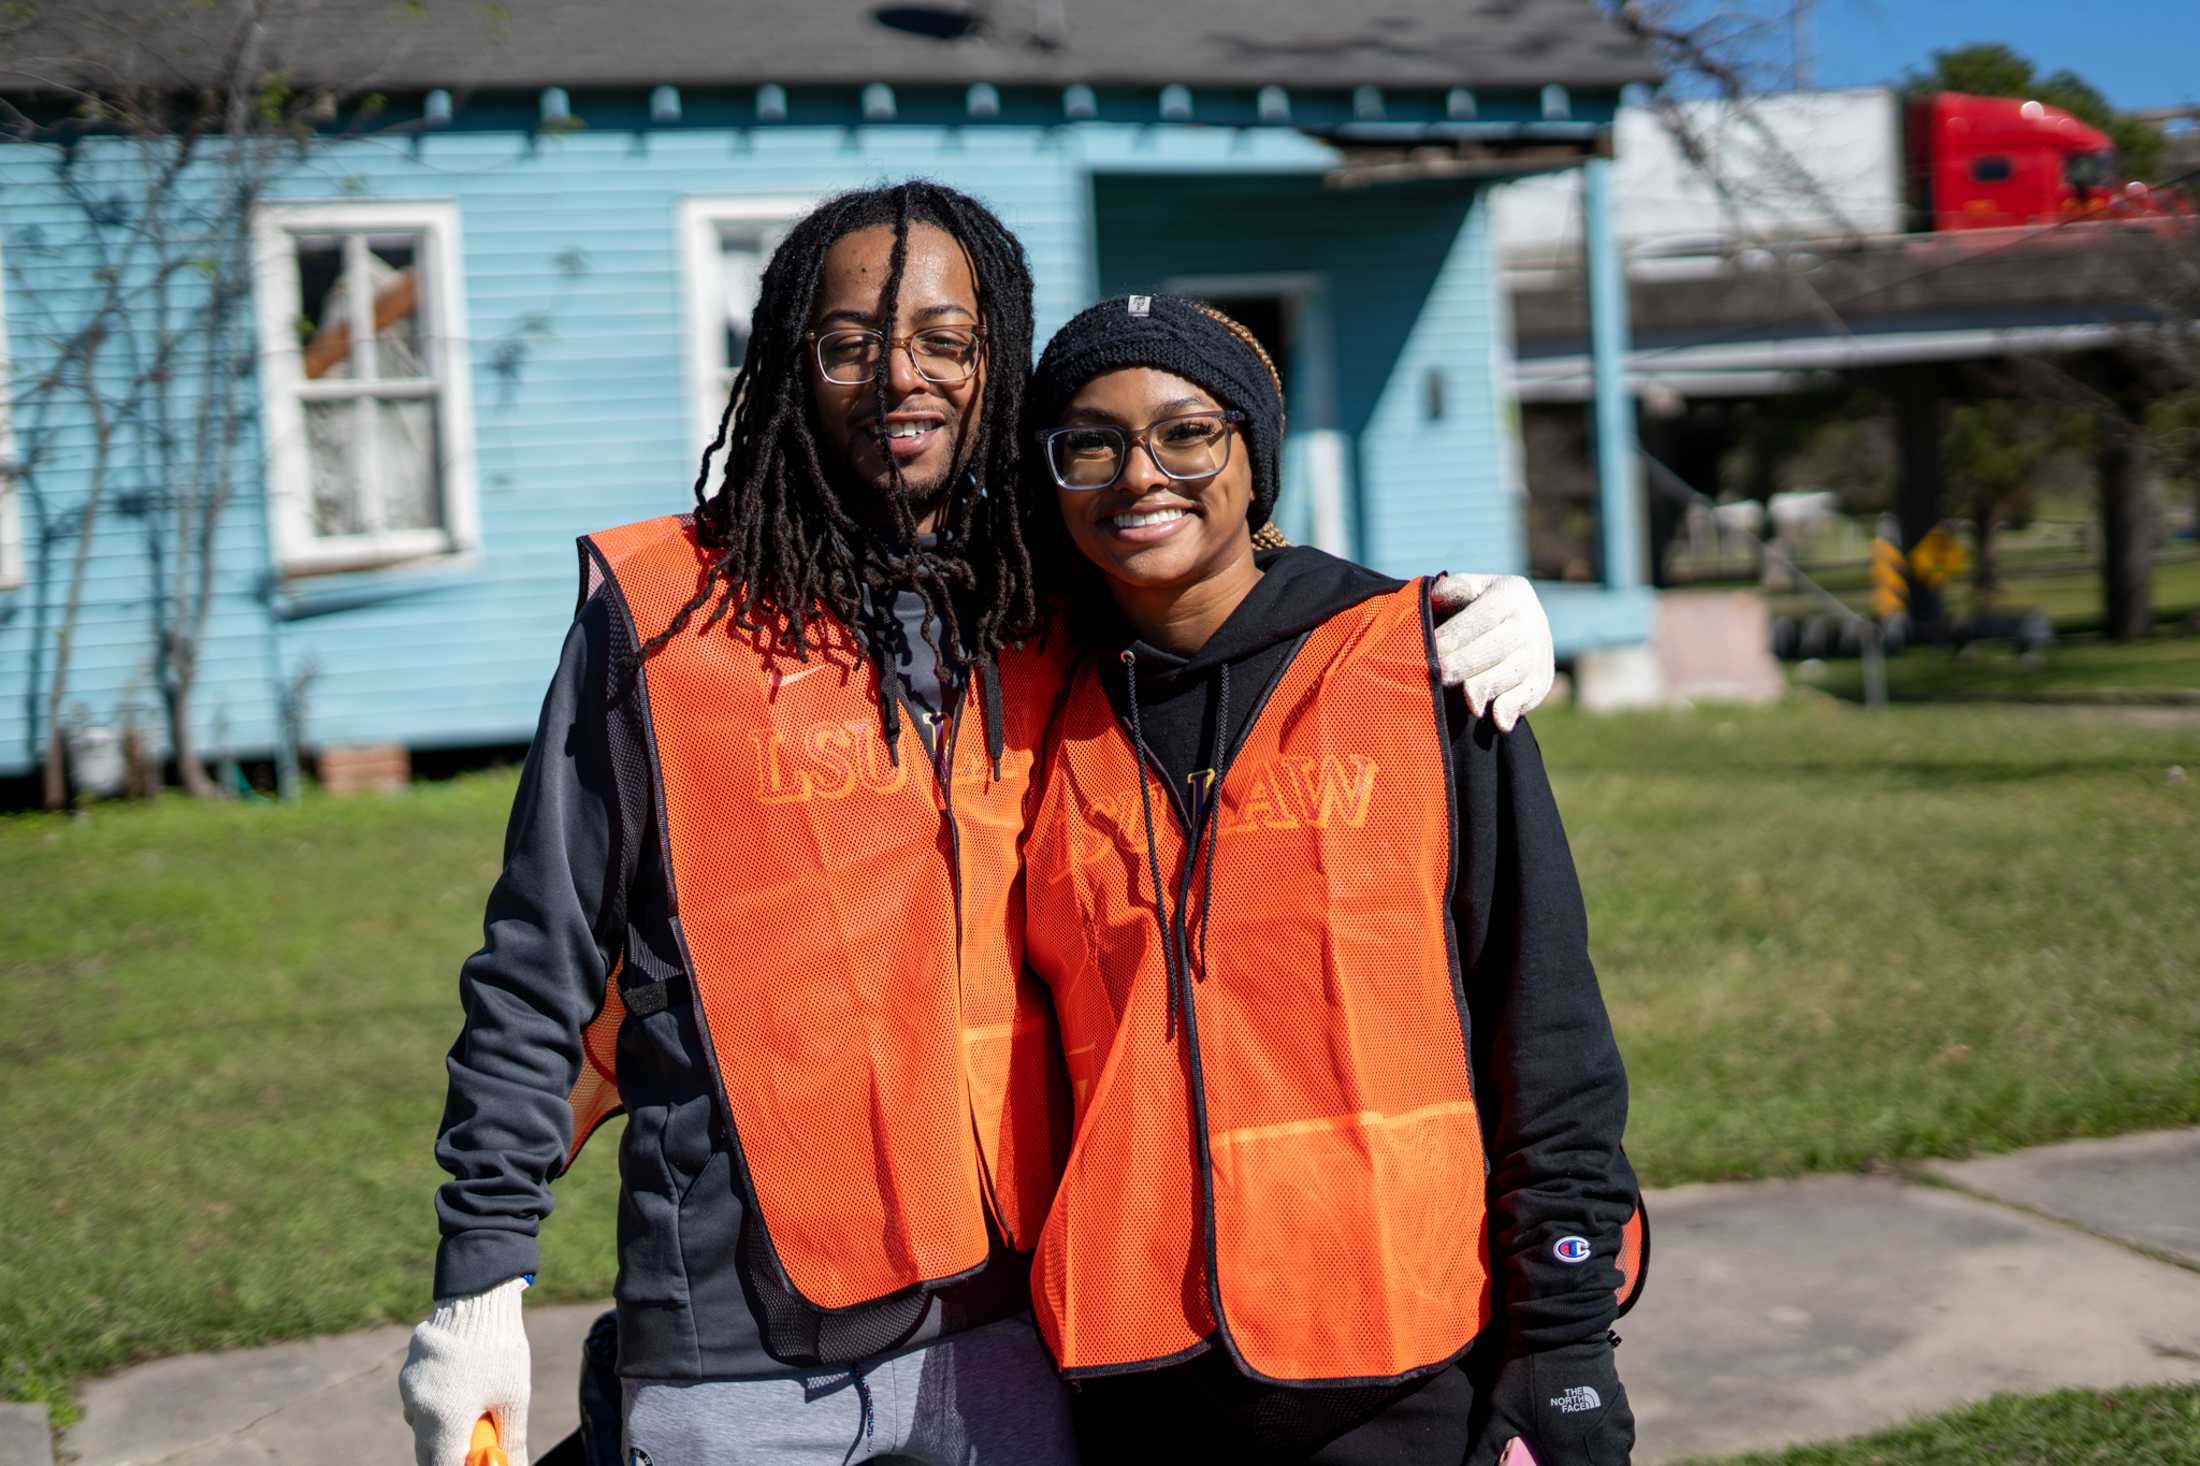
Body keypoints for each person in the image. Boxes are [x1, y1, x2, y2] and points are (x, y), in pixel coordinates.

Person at [396, 183, 1559, 1466]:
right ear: (790, 361)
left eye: (947, 342)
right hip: (737, 1331)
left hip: (1014, 1330)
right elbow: (534, 965)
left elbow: (1230, 581)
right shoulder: (661, 617)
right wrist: (480, 1281)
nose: (902, 375)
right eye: (848, 344)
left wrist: (1435, 613)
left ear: (995, 363)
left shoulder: (1046, 601)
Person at [1017, 295, 1643, 1466]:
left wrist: (1562, 1352)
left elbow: (1546, 1029)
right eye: (1088, 443)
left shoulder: (1424, 666)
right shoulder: (1035, 714)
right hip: (1141, 1390)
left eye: (1188, 432)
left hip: (1407, 1374)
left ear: (1253, 457)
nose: (1138, 472)